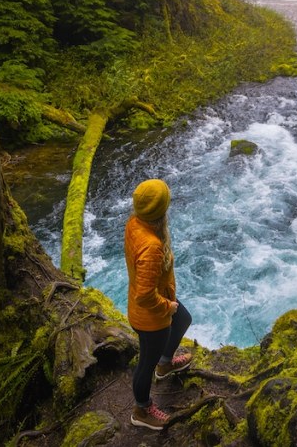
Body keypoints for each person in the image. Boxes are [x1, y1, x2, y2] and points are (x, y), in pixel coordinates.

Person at [124, 178, 192, 430]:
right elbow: (144, 295)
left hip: (151, 305)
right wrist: (166, 307)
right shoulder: (151, 246)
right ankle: (141, 410)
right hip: (151, 316)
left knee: (183, 319)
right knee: (145, 364)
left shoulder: (135, 223)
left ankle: (165, 364)